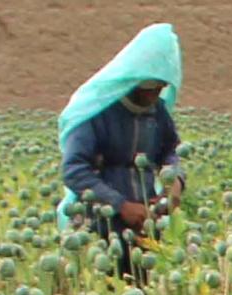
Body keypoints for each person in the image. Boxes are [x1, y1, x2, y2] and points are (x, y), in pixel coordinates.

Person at [56, 24, 186, 277]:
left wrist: (176, 180)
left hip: (145, 225)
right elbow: (74, 171)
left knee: (142, 291)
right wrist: (120, 205)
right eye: (149, 89)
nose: (154, 96)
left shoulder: (157, 112)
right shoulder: (97, 113)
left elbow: (170, 150)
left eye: (160, 88)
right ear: (133, 82)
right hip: (98, 228)